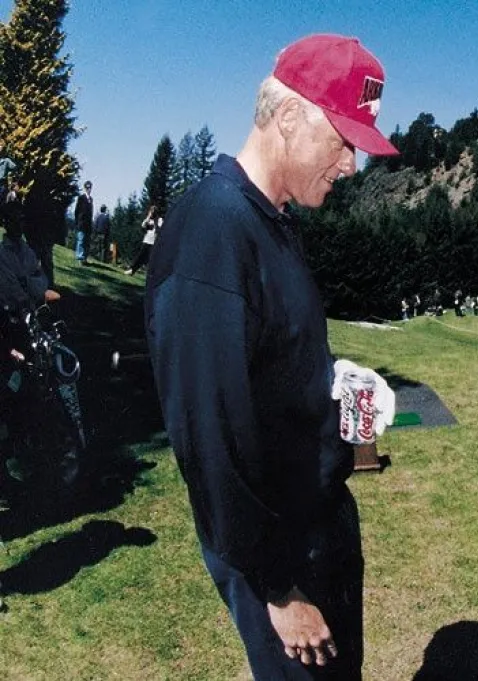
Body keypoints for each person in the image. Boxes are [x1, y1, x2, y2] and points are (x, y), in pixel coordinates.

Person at [144, 34, 398, 681]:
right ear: (288, 116)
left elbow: (271, 370)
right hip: (281, 554)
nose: (350, 166)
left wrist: (331, 384)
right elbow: (208, 431)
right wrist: (279, 586)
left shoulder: (273, 223)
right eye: (343, 141)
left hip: (318, 525)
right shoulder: (214, 230)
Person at [125, 205, 161, 275]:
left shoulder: (159, 220)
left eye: (154, 211)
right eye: (151, 211)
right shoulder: (148, 219)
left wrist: (155, 222)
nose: (152, 213)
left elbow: (160, 229)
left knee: (151, 259)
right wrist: (148, 217)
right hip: (146, 241)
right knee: (140, 257)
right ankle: (132, 270)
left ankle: (151, 274)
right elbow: (143, 226)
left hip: (154, 242)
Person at [73, 180, 94, 264]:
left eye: (90, 187)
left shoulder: (91, 199)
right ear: (85, 188)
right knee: (81, 240)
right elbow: (77, 211)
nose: (89, 189)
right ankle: (80, 257)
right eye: (87, 187)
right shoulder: (81, 198)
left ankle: (85, 257)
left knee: (87, 242)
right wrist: (77, 221)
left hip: (88, 224)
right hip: (81, 223)